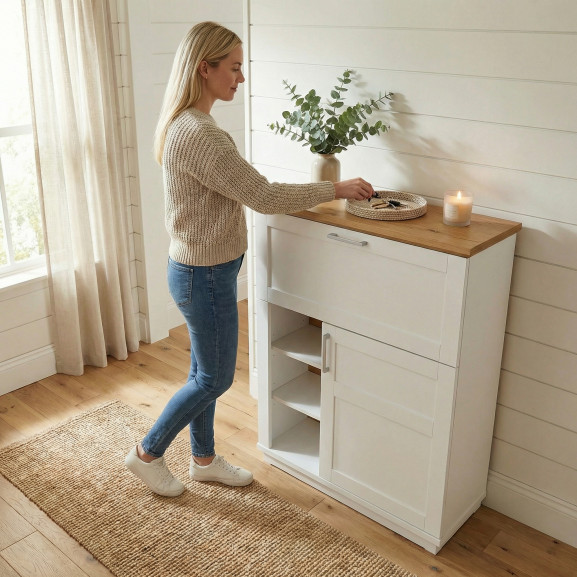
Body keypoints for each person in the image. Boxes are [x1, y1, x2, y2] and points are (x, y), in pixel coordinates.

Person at [124, 21, 374, 497]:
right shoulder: (200, 134)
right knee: (214, 379)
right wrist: (335, 188)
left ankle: (203, 460)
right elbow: (262, 195)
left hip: (197, 270)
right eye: (234, 67)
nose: (241, 78)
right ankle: (147, 453)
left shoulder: (185, 123)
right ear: (205, 68)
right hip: (204, 275)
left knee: (204, 375)